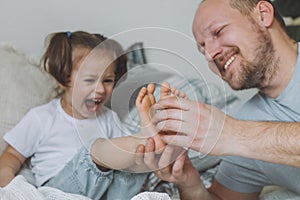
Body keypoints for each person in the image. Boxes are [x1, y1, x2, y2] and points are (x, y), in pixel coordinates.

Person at [136, 0, 300, 199]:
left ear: (263, 15)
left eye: (218, 31)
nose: (210, 55)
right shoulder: (248, 121)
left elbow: (235, 135)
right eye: (203, 48)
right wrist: (189, 183)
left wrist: (231, 134)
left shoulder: (238, 132)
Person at [0, 31, 170, 200]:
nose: (101, 89)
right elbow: (13, 155)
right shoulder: (42, 117)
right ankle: (146, 138)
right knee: (94, 151)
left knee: (135, 164)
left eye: (108, 80)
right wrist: (10, 184)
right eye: (90, 80)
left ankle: (148, 139)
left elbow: (126, 156)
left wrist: (140, 159)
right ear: (63, 79)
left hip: (106, 195)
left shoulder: (109, 118)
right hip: (60, 192)